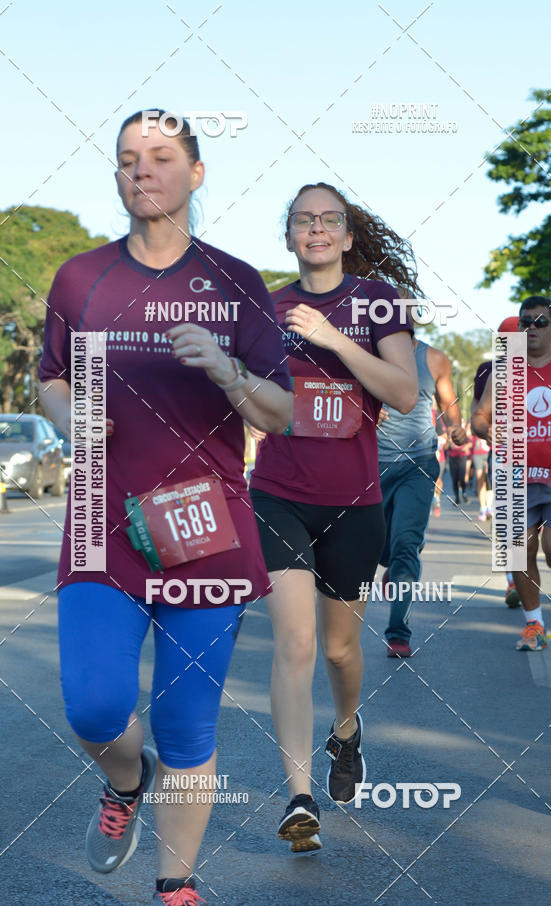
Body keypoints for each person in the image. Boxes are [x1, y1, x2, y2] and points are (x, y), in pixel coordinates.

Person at [38, 109, 292, 905]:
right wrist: (65, 410)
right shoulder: (81, 277)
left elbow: (277, 413)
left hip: (205, 533)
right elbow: (48, 377)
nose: (139, 170)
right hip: (101, 527)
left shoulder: (236, 282)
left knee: (188, 727)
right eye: (125, 159)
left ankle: (175, 886)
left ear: (196, 172)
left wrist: (225, 367)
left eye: (158, 157)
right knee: (95, 706)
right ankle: (124, 784)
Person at [249, 182, 419, 852]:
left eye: (329, 220)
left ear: (348, 236)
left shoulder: (378, 302)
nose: (315, 229)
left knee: (339, 649)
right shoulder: (263, 304)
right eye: (302, 220)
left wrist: (334, 342)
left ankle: (346, 729)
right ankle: (298, 796)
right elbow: (251, 395)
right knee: (292, 643)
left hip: (354, 503)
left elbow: (404, 393)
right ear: (289, 235)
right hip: (277, 493)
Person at [472, 297, 551, 651]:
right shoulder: (504, 371)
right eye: (526, 322)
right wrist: (487, 431)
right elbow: (479, 417)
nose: (532, 329)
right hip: (515, 478)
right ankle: (534, 625)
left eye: (540, 322)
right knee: (518, 552)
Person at [376, 322, 467, 657]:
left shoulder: (434, 358)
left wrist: (457, 430)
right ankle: (394, 564)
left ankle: (398, 632)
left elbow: (450, 408)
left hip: (419, 462)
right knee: (379, 547)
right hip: (371, 465)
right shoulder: (365, 353)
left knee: (405, 546)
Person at [470, 316, 520, 603]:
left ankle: (525, 574)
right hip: (502, 454)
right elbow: (477, 412)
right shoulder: (487, 370)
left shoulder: (543, 370)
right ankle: (513, 581)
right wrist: (485, 429)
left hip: (540, 457)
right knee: (506, 519)